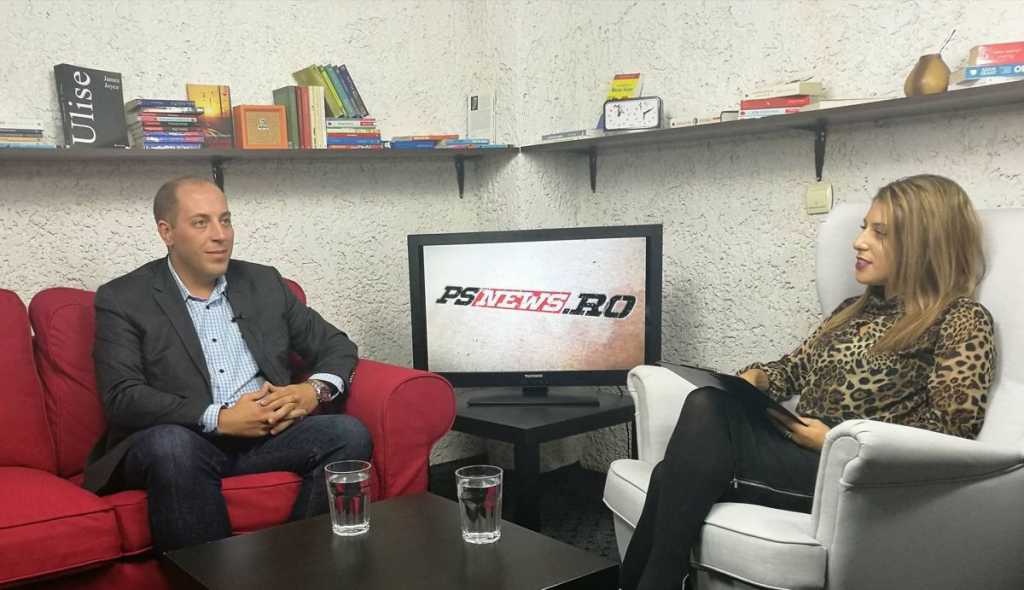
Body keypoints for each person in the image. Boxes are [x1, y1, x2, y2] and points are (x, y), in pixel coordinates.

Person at [619, 174, 996, 590]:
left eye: (880, 233)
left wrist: (833, 440)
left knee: (680, 457)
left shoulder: (960, 318)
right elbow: (794, 369)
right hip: (798, 447)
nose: (859, 242)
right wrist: (759, 379)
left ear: (925, 245)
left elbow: (953, 429)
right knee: (704, 412)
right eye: (864, 228)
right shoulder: (852, 310)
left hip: (856, 475)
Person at [86, 176, 372, 552]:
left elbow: (335, 344)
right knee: (171, 446)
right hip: (184, 439)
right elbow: (122, 396)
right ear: (167, 232)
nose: (220, 235)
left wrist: (312, 391)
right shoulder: (123, 298)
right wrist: (220, 418)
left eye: (225, 220)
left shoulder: (263, 282)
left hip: (266, 436)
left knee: (348, 433)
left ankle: (297, 565)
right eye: (201, 223)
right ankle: (211, 576)